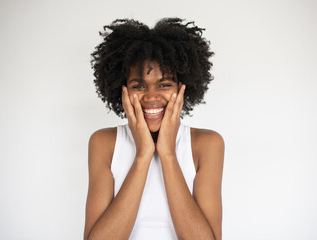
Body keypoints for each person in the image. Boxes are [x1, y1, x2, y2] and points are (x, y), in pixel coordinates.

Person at [84, 18, 225, 240]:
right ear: (122, 90)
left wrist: (167, 153)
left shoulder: (206, 144)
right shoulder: (104, 143)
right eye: (138, 86)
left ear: (182, 88)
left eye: (165, 84)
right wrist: (143, 154)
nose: (150, 96)